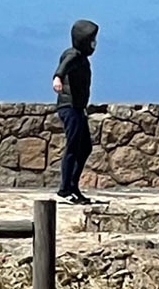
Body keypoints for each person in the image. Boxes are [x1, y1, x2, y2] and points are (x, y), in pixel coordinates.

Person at [52, 19, 99, 204]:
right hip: (69, 107)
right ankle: (64, 190)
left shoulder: (82, 58)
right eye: (92, 39)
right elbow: (64, 66)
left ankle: (73, 187)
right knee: (73, 146)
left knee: (85, 147)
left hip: (78, 108)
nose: (94, 43)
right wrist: (58, 78)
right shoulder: (73, 54)